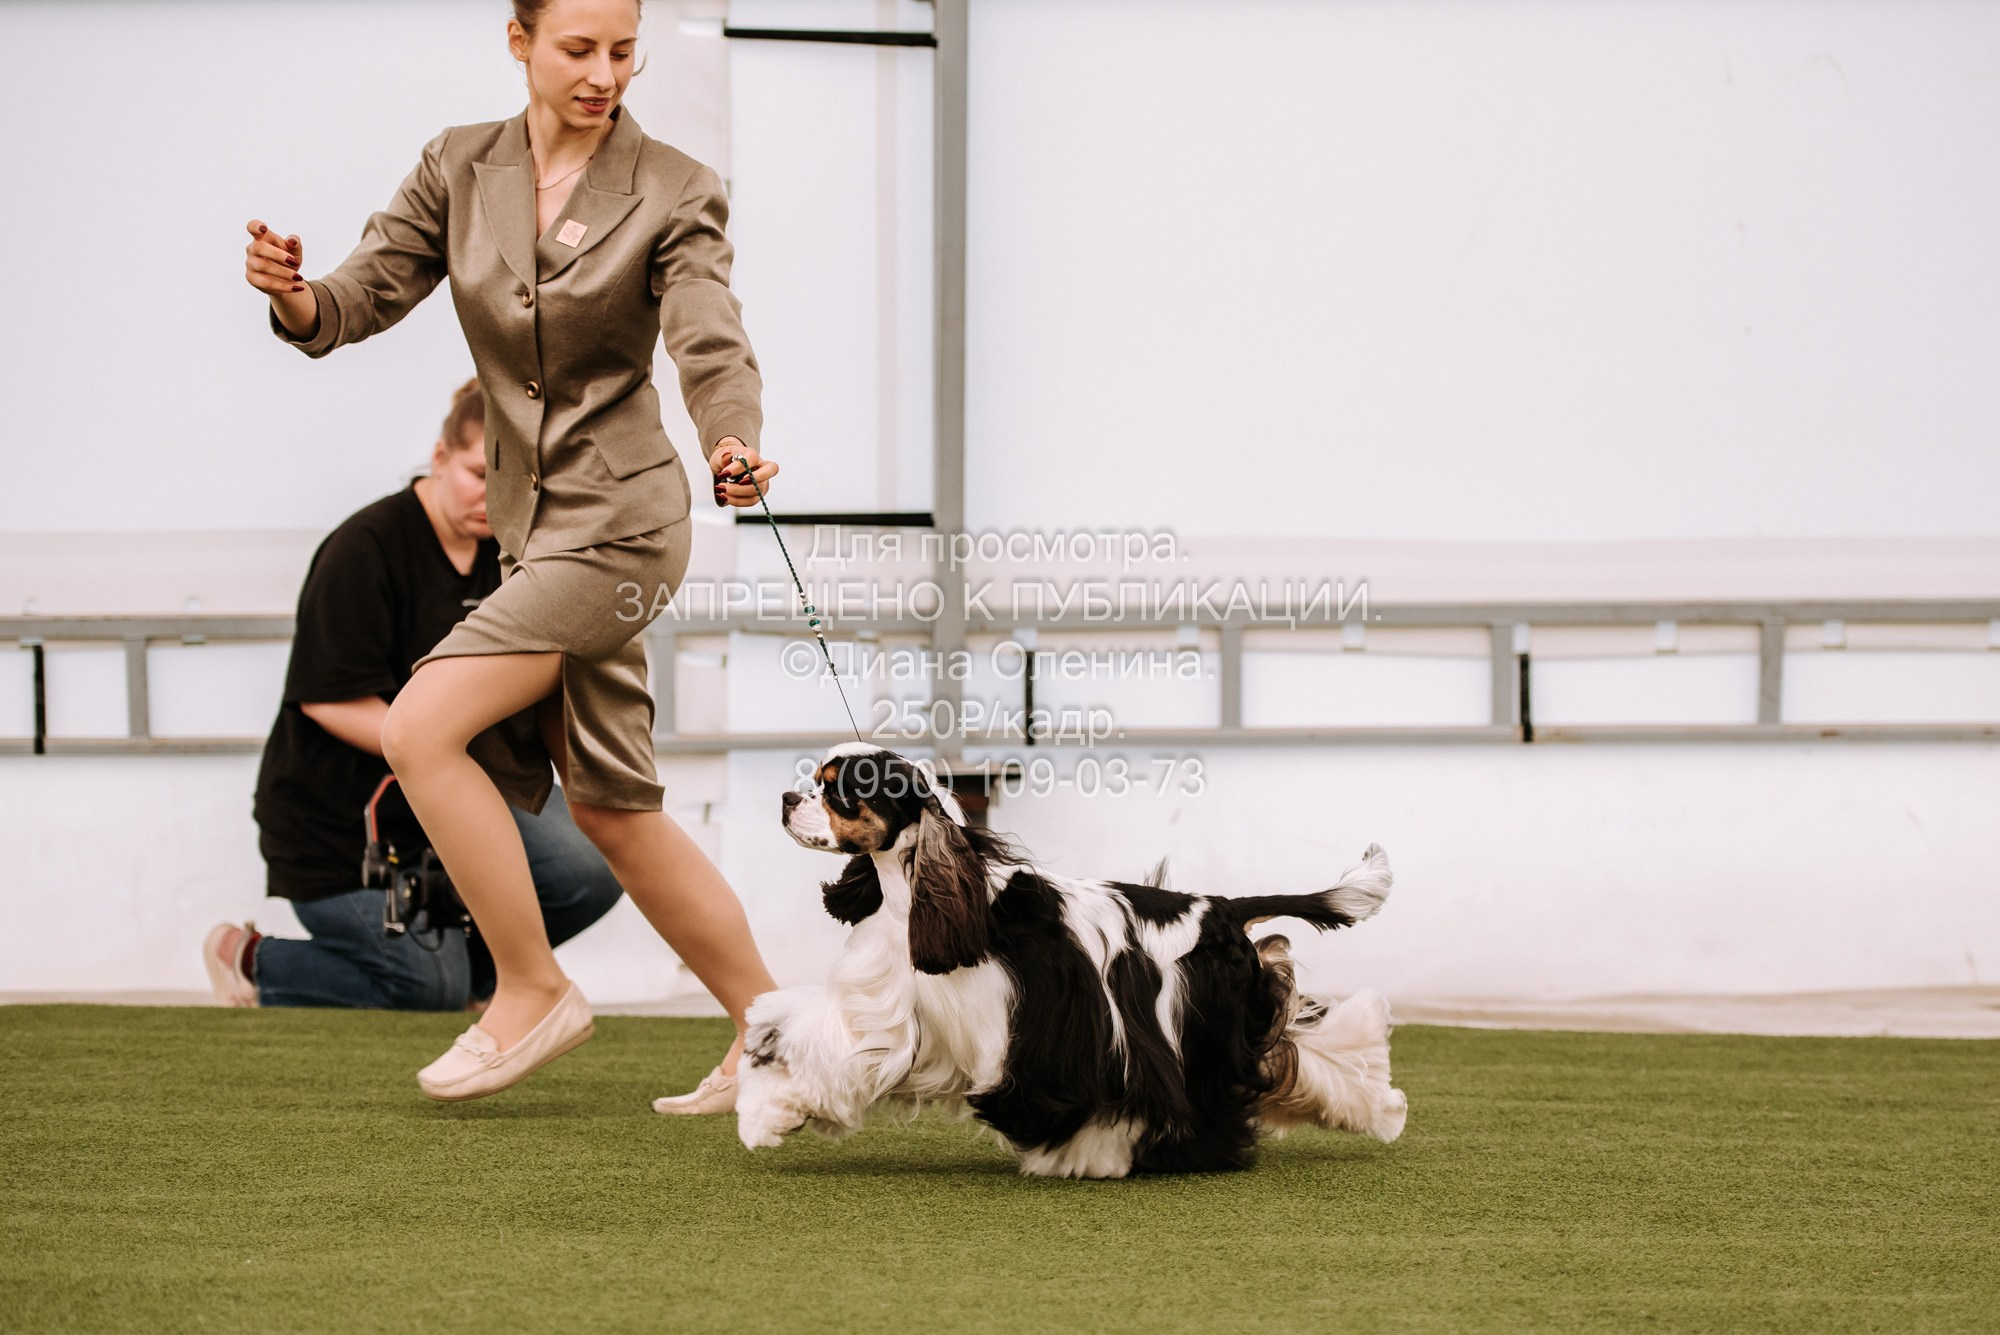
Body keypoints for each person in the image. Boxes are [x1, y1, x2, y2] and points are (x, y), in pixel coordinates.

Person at [242, 0, 780, 1109]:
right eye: (577, 48)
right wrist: (298, 297)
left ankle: (530, 991)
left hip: (624, 523)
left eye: (622, 51)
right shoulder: (458, 166)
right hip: (536, 535)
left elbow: (707, 337)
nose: (602, 74)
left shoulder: (671, 187)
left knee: (419, 722)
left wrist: (734, 439)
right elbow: (362, 293)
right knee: (615, 809)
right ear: (519, 39)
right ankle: (774, 1037)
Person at [203, 379, 624, 1013]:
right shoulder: (364, 548)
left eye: (514, 483)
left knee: (591, 863)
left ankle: (491, 979)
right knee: (427, 985)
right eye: (479, 473)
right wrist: (445, 751)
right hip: (340, 834)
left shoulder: (511, 558)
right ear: (438, 456)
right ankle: (250, 958)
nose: (493, 497)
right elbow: (329, 700)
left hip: (452, 801)